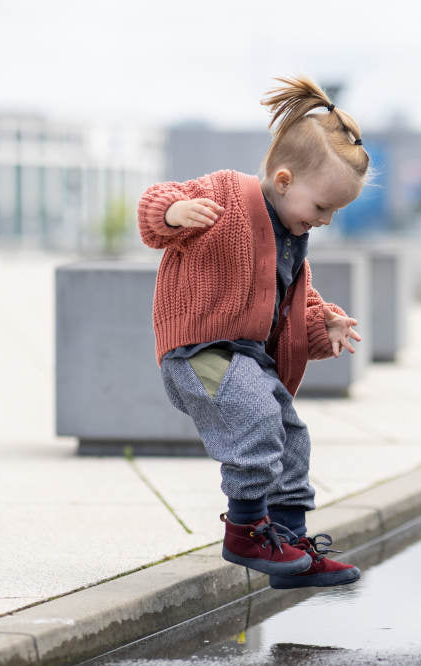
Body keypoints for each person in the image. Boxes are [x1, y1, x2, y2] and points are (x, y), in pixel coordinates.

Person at [137, 76, 370, 589]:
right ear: (284, 180)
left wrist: (322, 323)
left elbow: (290, 308)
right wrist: (174, 214)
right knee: (257, 416)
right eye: (322, 208)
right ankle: (245, 528)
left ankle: (291, 544)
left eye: (334, 213)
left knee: (290, 436)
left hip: (247, 358)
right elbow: (156, 205)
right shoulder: (224, 194)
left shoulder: (292, 237)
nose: (325, 221)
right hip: (200, 351)